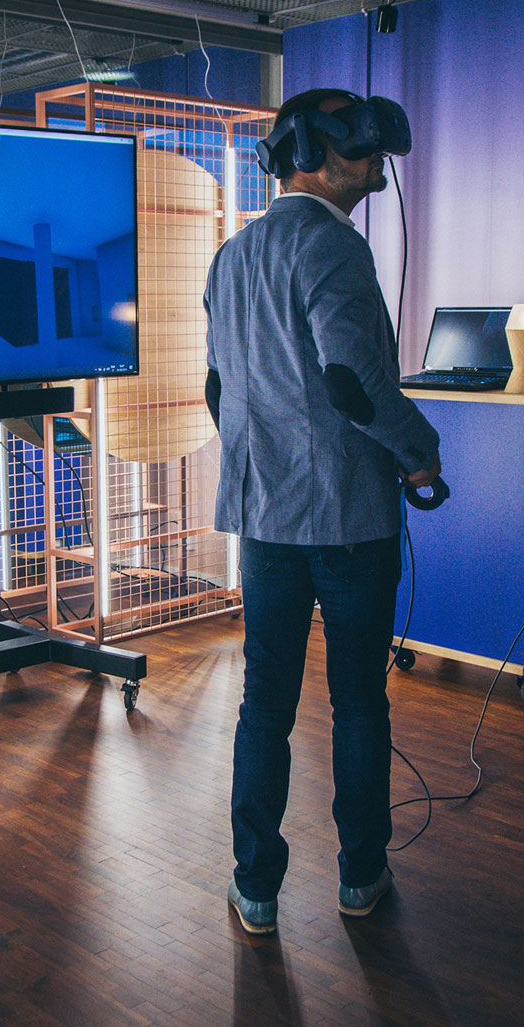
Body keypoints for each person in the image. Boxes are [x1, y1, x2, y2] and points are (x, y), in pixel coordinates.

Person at [203, 88, 441, 935]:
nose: (376, 165)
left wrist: (267, 458)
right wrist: (419, 449)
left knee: (264, 703)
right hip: (347, 522)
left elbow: (217, 390)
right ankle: (360, 875)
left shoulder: (232, 257)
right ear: (311, 150)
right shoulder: (336, 249)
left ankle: (255, 886)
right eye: (363, 150)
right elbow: (352, 382)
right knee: (357, 704)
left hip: (265, 522)